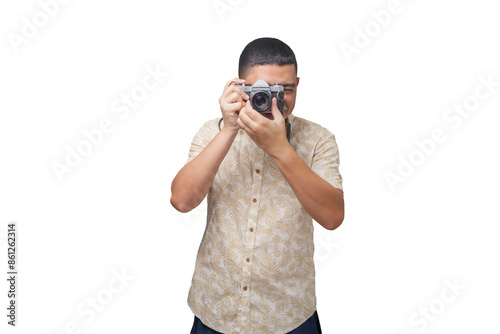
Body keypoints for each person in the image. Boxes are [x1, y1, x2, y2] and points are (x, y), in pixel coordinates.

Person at [171, 37, 344, 334]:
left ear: (298, 84)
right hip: (217, 308)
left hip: (289, 313)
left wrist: (281, 149)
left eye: (285, 90)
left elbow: (333, 217)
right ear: (240, 87)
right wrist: (229, 129)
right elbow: (182, 201)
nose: (275, 100)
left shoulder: (318, 139)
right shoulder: (211, 131)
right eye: (262, 90)